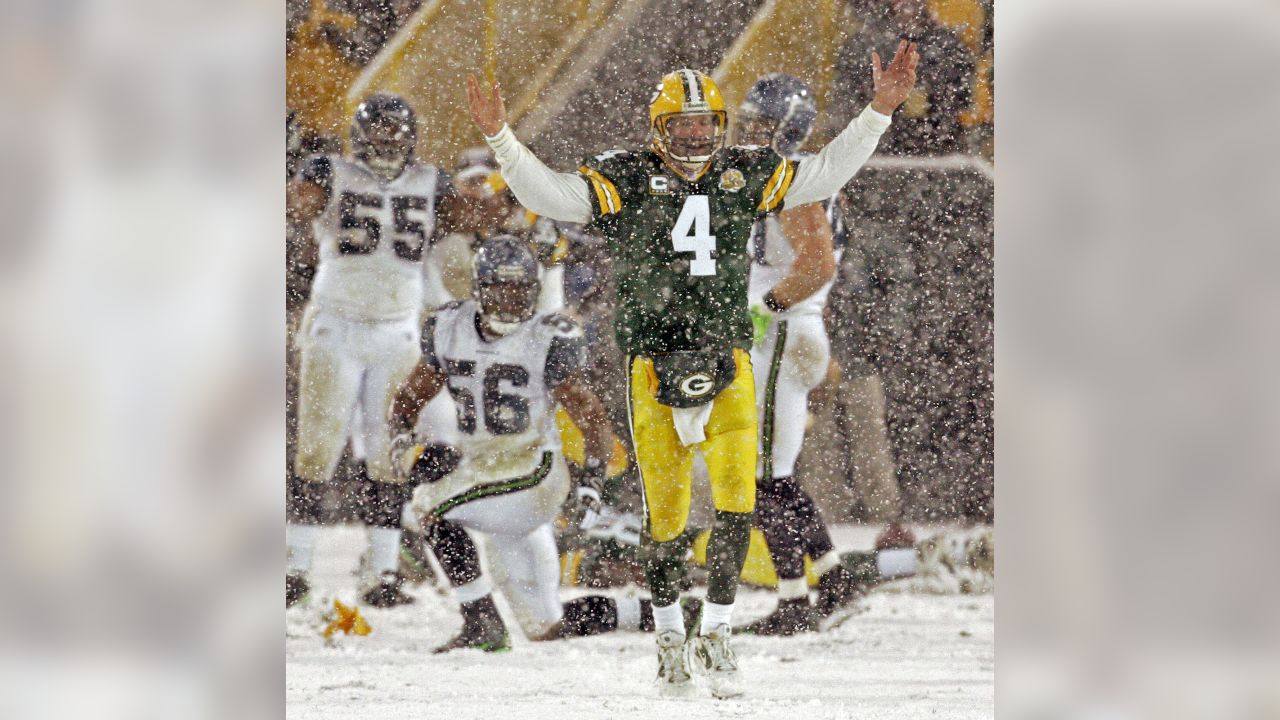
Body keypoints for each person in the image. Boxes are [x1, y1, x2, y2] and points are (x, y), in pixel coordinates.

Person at [464, 42, 919, 698]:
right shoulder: (624, 175)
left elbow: (818, 175)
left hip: (728, 353)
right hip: (654, 361)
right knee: (668, 512)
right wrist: (501, 138)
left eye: (706, 125)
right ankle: (672, 631)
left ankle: (720, 631)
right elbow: (556, 196)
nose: (697, 136)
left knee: (739, 497)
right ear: (659, 129)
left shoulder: (743, 173)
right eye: (683, 126)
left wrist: (878, 112)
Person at [389, 237, 699, 652]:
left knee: (425, 507)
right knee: (545, 625)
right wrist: (400, 435)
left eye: (522, 288)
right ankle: (668, 613)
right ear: (481, 287)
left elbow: (591, 418)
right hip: (485, 472)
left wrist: (591, 482)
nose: (513, 298)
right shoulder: (448, 327)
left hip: (533, 471)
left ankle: (481, 624)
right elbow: (411, 395)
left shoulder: (548, 335)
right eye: (503, 286)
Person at [285, 93, 462, 608]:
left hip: (397, 330)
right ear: (359, 135)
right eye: (378, 129)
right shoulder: (329, 169)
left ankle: (382, 571)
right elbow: (296, 206)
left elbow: (467, 219)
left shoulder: (433, 181)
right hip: (336, 323)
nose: (387, 139)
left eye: (395, 130)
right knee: (317, 448)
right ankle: (295, 568)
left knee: (389, 454)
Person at [730, 73, 867, 636]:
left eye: (762, 124)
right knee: (776, 473)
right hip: (796, 331)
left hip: (782, 331)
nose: (750, 132)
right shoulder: (800, 172)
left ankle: (792, 602)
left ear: (788, 127)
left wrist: (761, 308)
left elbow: (816, 266)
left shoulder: (791, 179)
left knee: (760, 475)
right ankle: (833, 577)